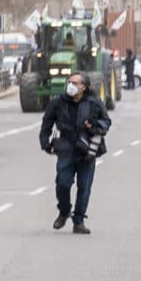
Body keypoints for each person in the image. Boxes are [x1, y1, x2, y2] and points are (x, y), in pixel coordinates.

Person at [40, 69, 111, 234]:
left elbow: (106, 121)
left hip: (87, 150)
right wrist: (44, 142)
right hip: (65, 148)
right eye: (69, 82)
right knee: (63, 183)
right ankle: (64, 211)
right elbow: (47, 122)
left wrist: (94, 126)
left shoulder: (94, 102)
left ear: (83, 87)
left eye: (75, 83)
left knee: (84, 187)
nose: (71, 85)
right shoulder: (58, 102)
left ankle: (78, 221)